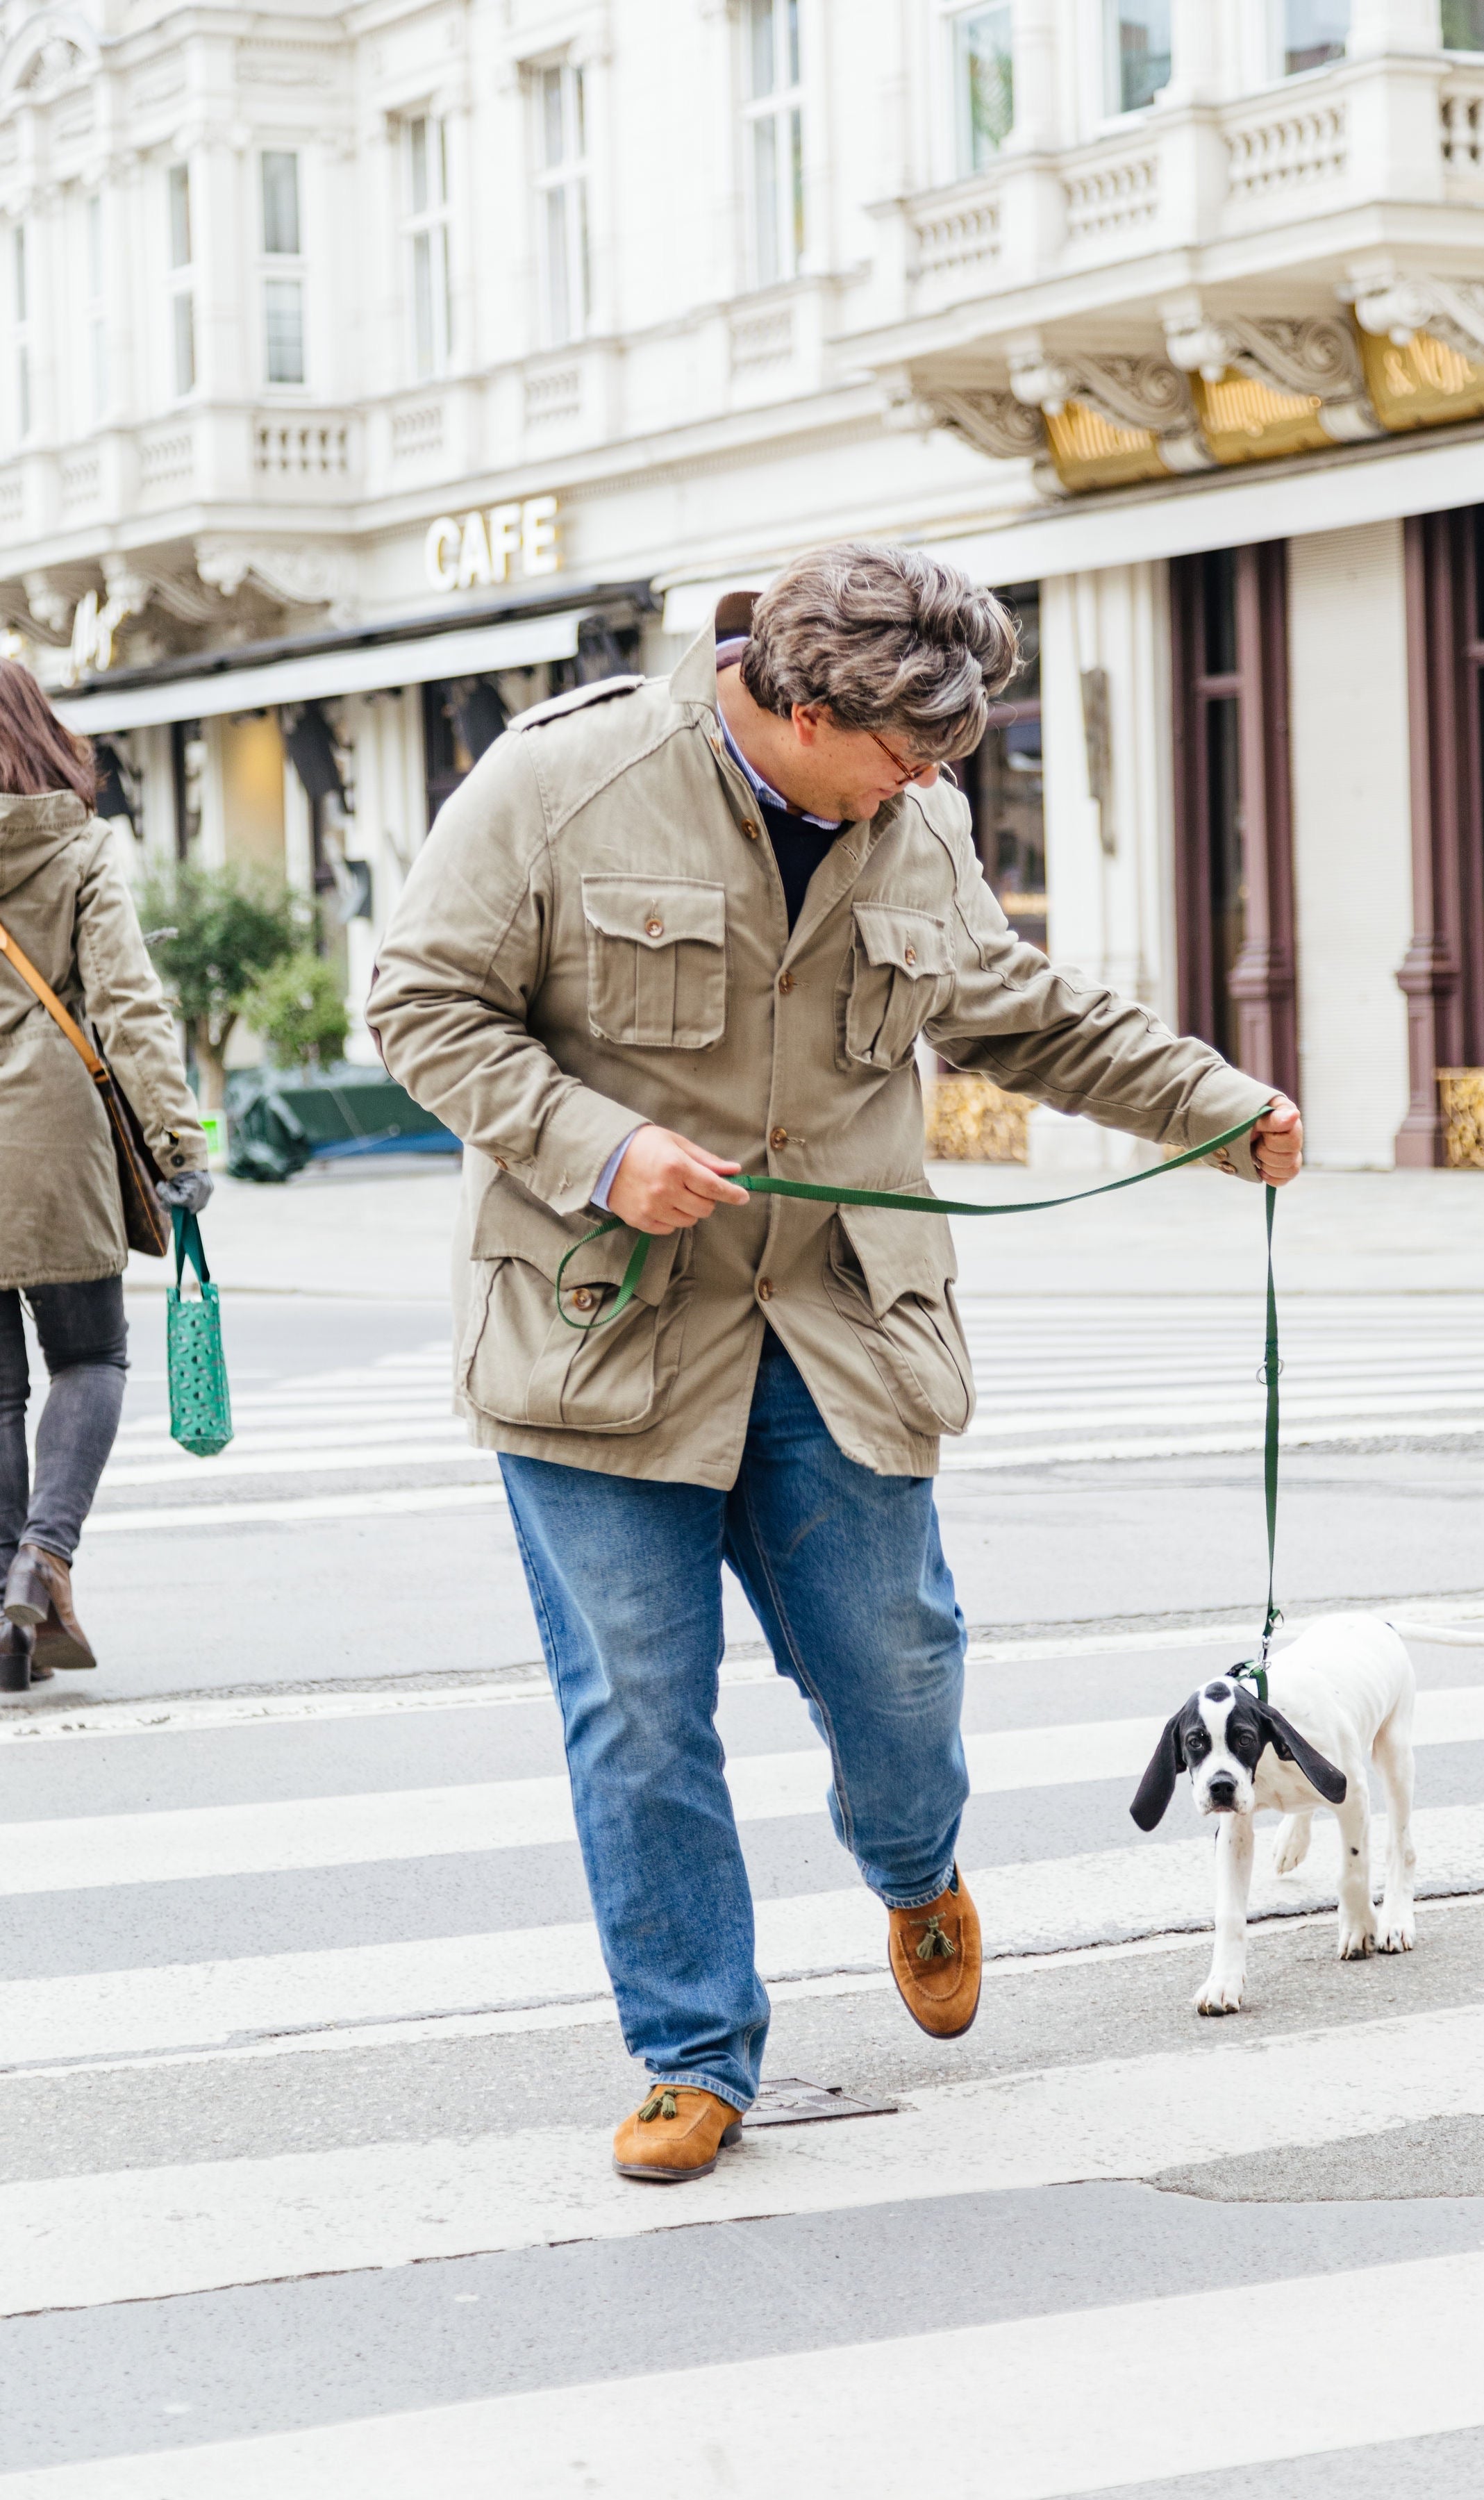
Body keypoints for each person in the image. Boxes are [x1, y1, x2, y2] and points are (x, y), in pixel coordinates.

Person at [370, 542, 1303, 2183]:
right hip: (596, 1337)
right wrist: (598, 1149)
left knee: (900, 1680)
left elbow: (1015, 1010)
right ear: (798, 708)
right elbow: (424, 1007)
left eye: (943, 761)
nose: (925, 790)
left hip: (840, 1326)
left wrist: (1215, 1105)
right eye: (902, 759)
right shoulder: (559, 781)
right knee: (639, 1714)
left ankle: (913, 1863)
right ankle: (691, 2051)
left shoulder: (911, 809)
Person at [0, 660, 212, 1688]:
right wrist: (178, 1143)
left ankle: (6, 1603)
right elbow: (129, 1007)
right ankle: (41, 1560)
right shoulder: (76, 849)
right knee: (89, 1359)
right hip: (55, 1139)